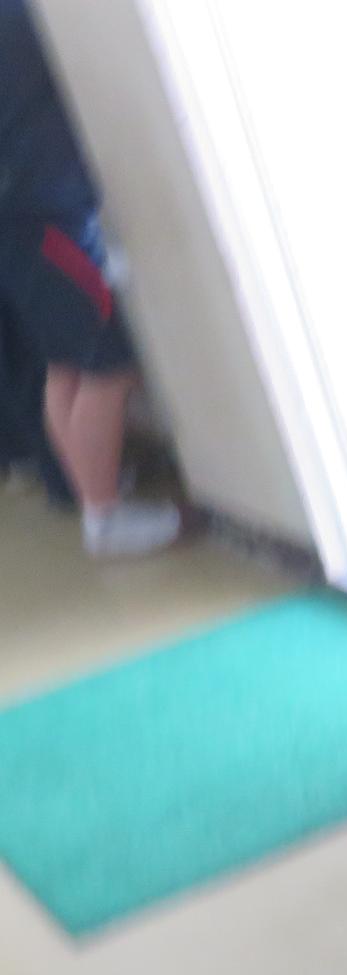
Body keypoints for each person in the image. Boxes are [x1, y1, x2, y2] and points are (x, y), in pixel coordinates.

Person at [1, 0, 181, 557]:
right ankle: (103, 516)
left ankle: (92, 497)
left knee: (66, 365)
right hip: (48, 213)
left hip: (23, 215)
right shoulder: (26, 17)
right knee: (110, 361)